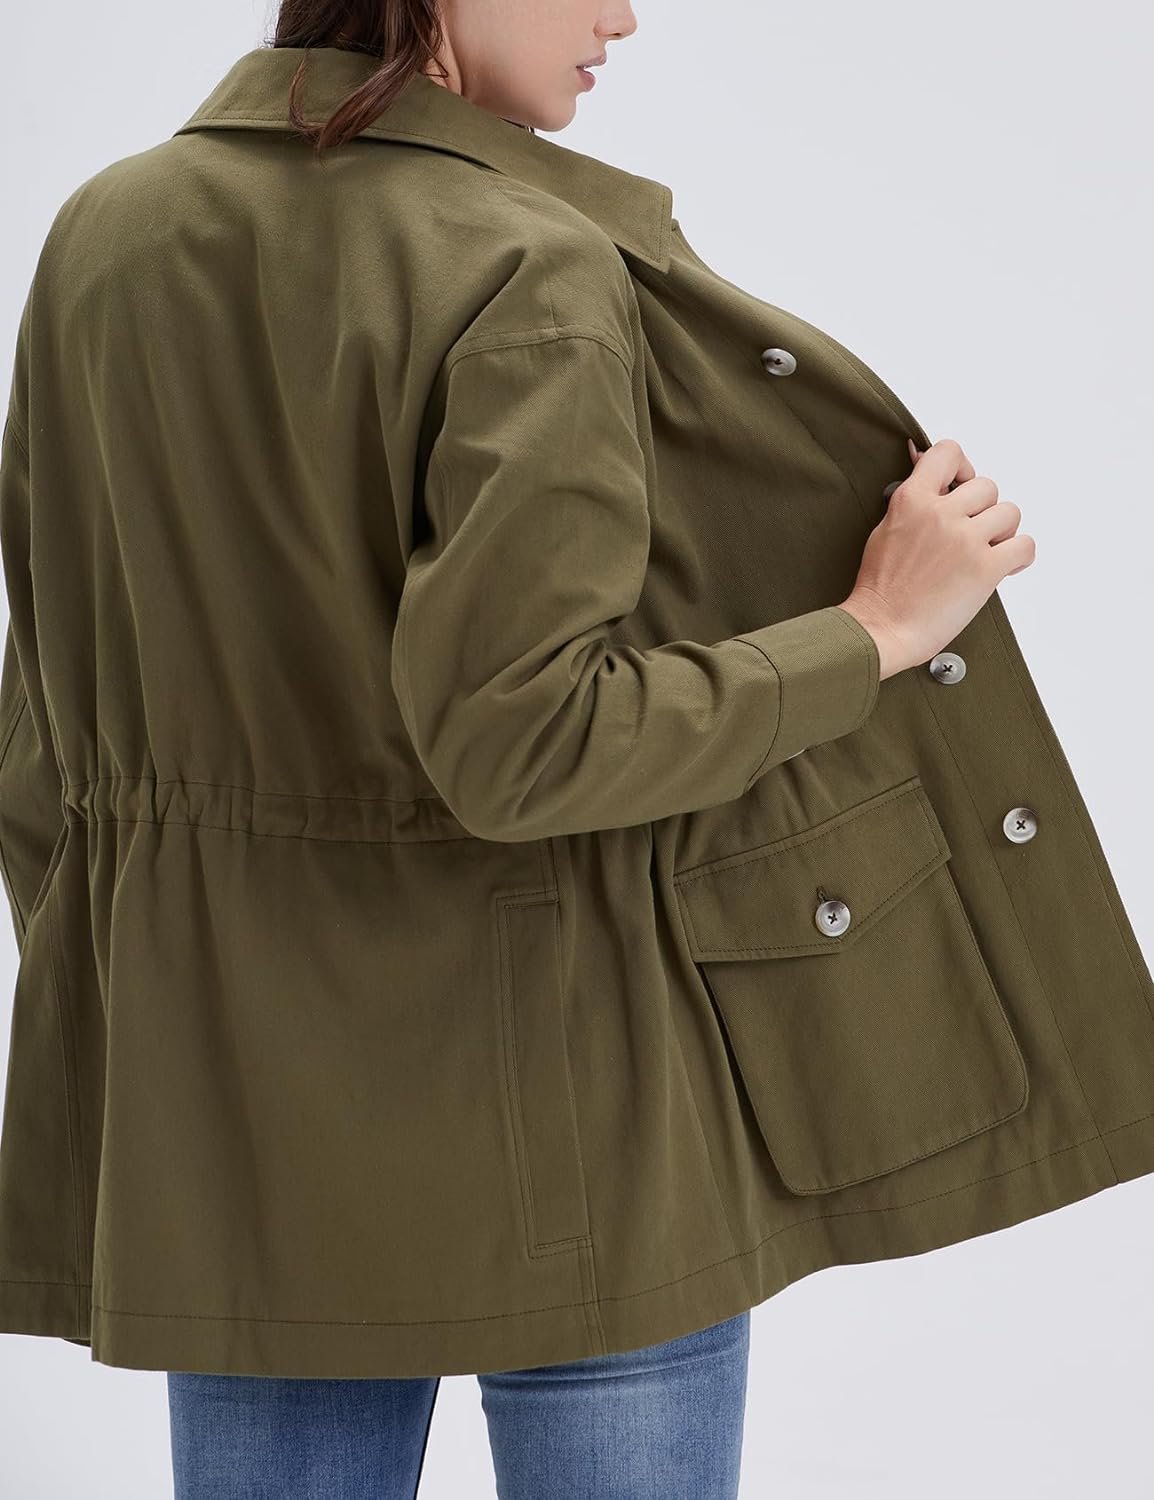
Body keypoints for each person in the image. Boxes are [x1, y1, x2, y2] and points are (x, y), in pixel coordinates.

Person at [4, 1, 1153, 1497]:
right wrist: (871, 630)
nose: (620, 12)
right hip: (572, 1109)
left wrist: (154, 994)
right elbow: (530, 742)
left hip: (226, 1121)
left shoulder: (105, 235)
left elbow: (45, 723)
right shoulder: (521, 262)